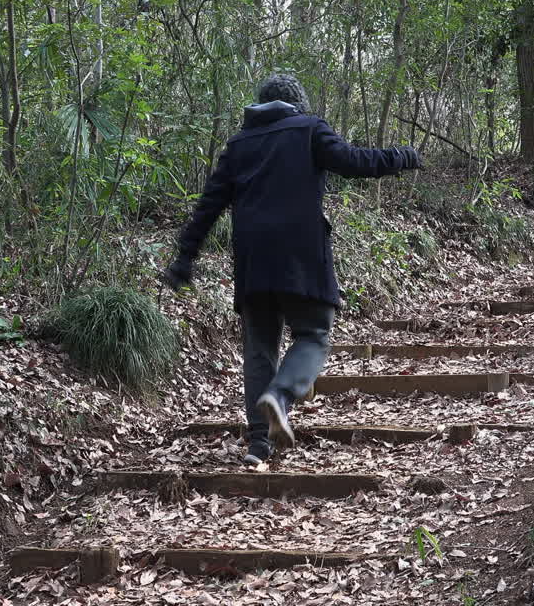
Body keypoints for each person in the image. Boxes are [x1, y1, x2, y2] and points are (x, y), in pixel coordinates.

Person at [161, 74, 421, 466]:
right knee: (314, 335)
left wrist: (185, 257)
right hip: (301, 254)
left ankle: (258, 445)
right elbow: (352, 161)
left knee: (259, 349)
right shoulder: (309, 129)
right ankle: (280, 397)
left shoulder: (239, 144)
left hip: (253, 260)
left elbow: (208, 206)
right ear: (296, 103)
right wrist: (400, 156)